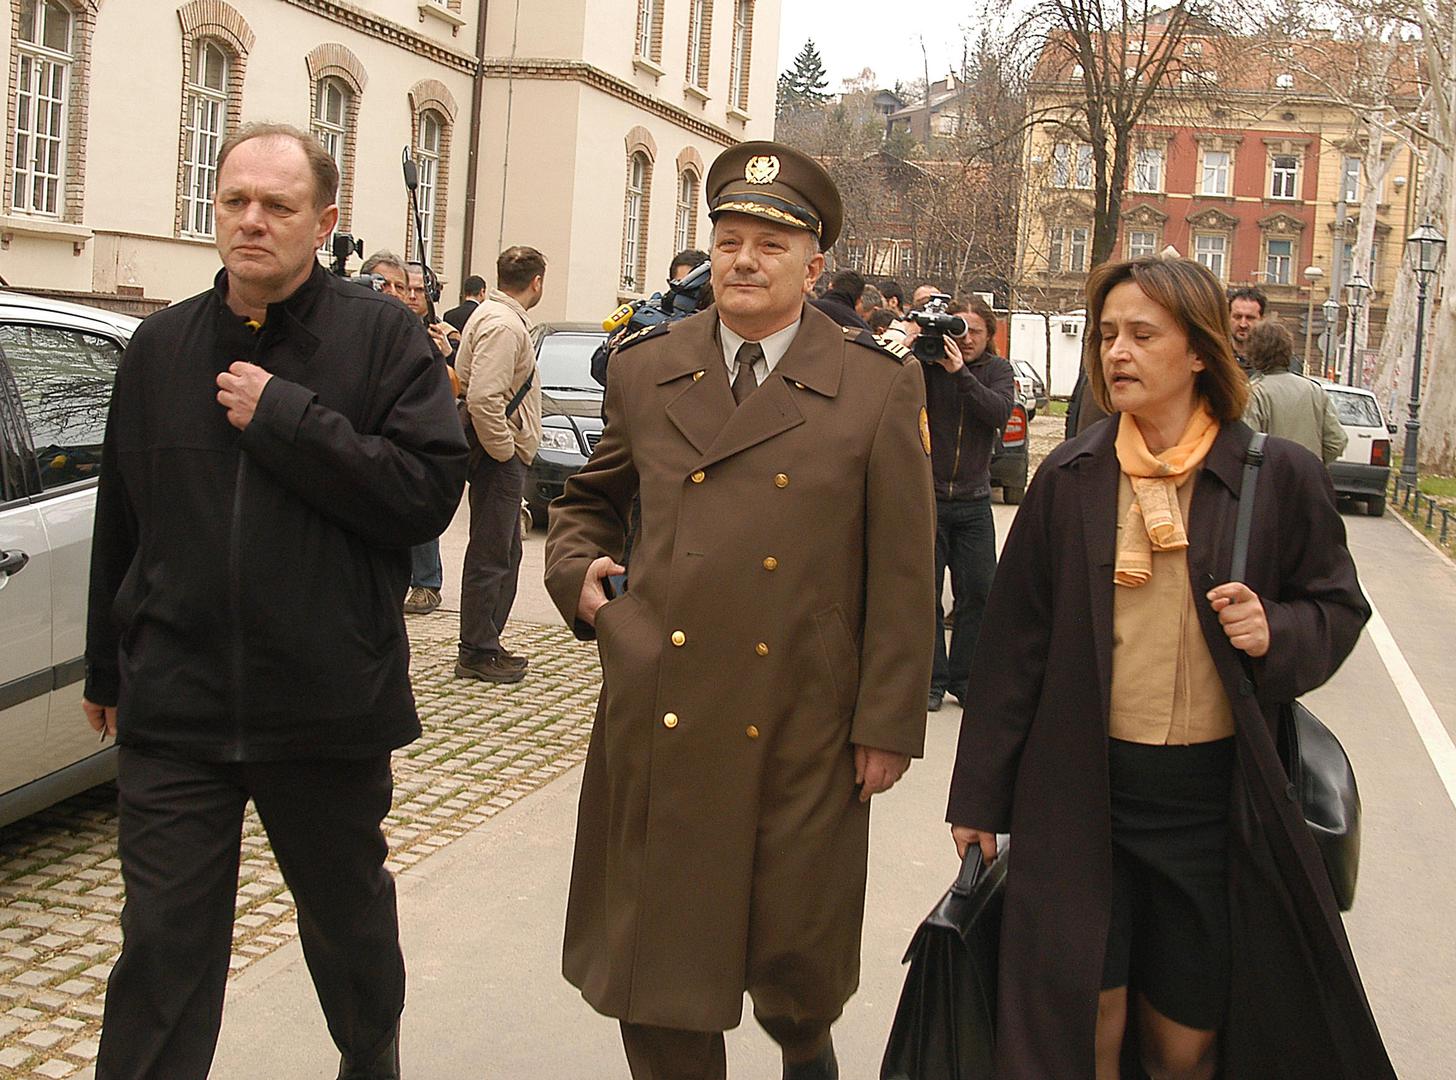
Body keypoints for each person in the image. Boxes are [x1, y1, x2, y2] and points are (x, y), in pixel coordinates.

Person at [82, 122, 468, 1080]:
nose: (251, 221)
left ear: (324, 222)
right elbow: (120, 520)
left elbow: (425, 495)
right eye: (235, 201)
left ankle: (369, 1053)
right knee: (162, 946)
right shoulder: (159, 347)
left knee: (346, 924)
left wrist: (289, 419)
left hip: (325, 701)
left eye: (278, 206)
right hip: (178, 705)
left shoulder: (382, 339)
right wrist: (105, 667)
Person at [946, 255, 1394, 1080]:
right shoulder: (1071, 479)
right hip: (1081, 799)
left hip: (1213, 809)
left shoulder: (1274, 476)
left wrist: (1275, 628)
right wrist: (979, 797)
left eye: (1143, 335)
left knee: (1183, 1045)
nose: (1117, 352)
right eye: (1108, 334)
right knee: (1087, 1024)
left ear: (1198, 351)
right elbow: (1012, 651)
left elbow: (1336, 606)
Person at [544, 140, 935, 1080]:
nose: (744, 261)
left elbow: (904, 573)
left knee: (796, 964)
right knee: (658, 966)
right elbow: (591, 499)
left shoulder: (877, 384)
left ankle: (806, 1049)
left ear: (814, 266)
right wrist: (578, 575)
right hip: (662, 703)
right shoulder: (646, 368)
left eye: (770, 244)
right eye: (728, 242)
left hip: (803, 717)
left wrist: (886, 724)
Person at [912, 296, 1016, 712]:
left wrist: (961, 376)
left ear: (990, 335)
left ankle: (966, 677)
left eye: (975, 331)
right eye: (959, 329)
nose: (966, 338)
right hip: (930, 499)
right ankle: (933, 680)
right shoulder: (926, 365)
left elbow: (998, 413)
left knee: (979, 591)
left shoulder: (997, 371)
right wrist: (911, 347)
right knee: (927, 595)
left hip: (974, 501)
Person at [454, 245, 545, 683]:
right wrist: (505, 450)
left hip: (498, 451)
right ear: (537, 282)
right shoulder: (504, 325)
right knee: (492, 553)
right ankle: (476, 650)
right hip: (497, 454)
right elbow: (483, 397)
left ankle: (485, 642)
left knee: (504, 550)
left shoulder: (495, 317)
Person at [402, 261, 459, 615]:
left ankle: (426, 582)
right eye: (406, 288)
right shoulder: (387, 324)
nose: (412, 296)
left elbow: (461, 383)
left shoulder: (445, 335)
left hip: (426, 430)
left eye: (419, 290)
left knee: (419, 504)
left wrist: (447, 354)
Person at [1243, 319, 1347, 464]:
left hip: (1271, 473)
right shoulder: (1314, 390)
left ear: (1253, 353)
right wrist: (1314, 463)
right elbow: (1337, 441)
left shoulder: (1254, 393)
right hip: (1309, 473)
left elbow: (1247, 444)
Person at [1228, 285, 1268, 373]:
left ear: (1262, 320)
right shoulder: (1214, 357)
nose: (1243, 324)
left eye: (1250, 318)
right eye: (1237, 317)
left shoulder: (1275, 363)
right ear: (1228, 317)